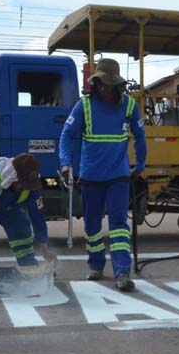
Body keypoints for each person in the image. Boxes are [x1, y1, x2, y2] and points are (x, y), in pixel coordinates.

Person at [58, 58, 147, 291]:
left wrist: (140, 164)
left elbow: (140, 136)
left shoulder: (129, 106)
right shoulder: (84, 106)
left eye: (109, 84)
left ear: (118, 85)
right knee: (92, 226)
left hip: (118, 176)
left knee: (118, 225)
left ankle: (122, 272)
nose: (104, 88)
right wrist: (66, 163)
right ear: (96, 83)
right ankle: (96, 265)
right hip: (90, 177)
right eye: (101, 83)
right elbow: (66, 135)